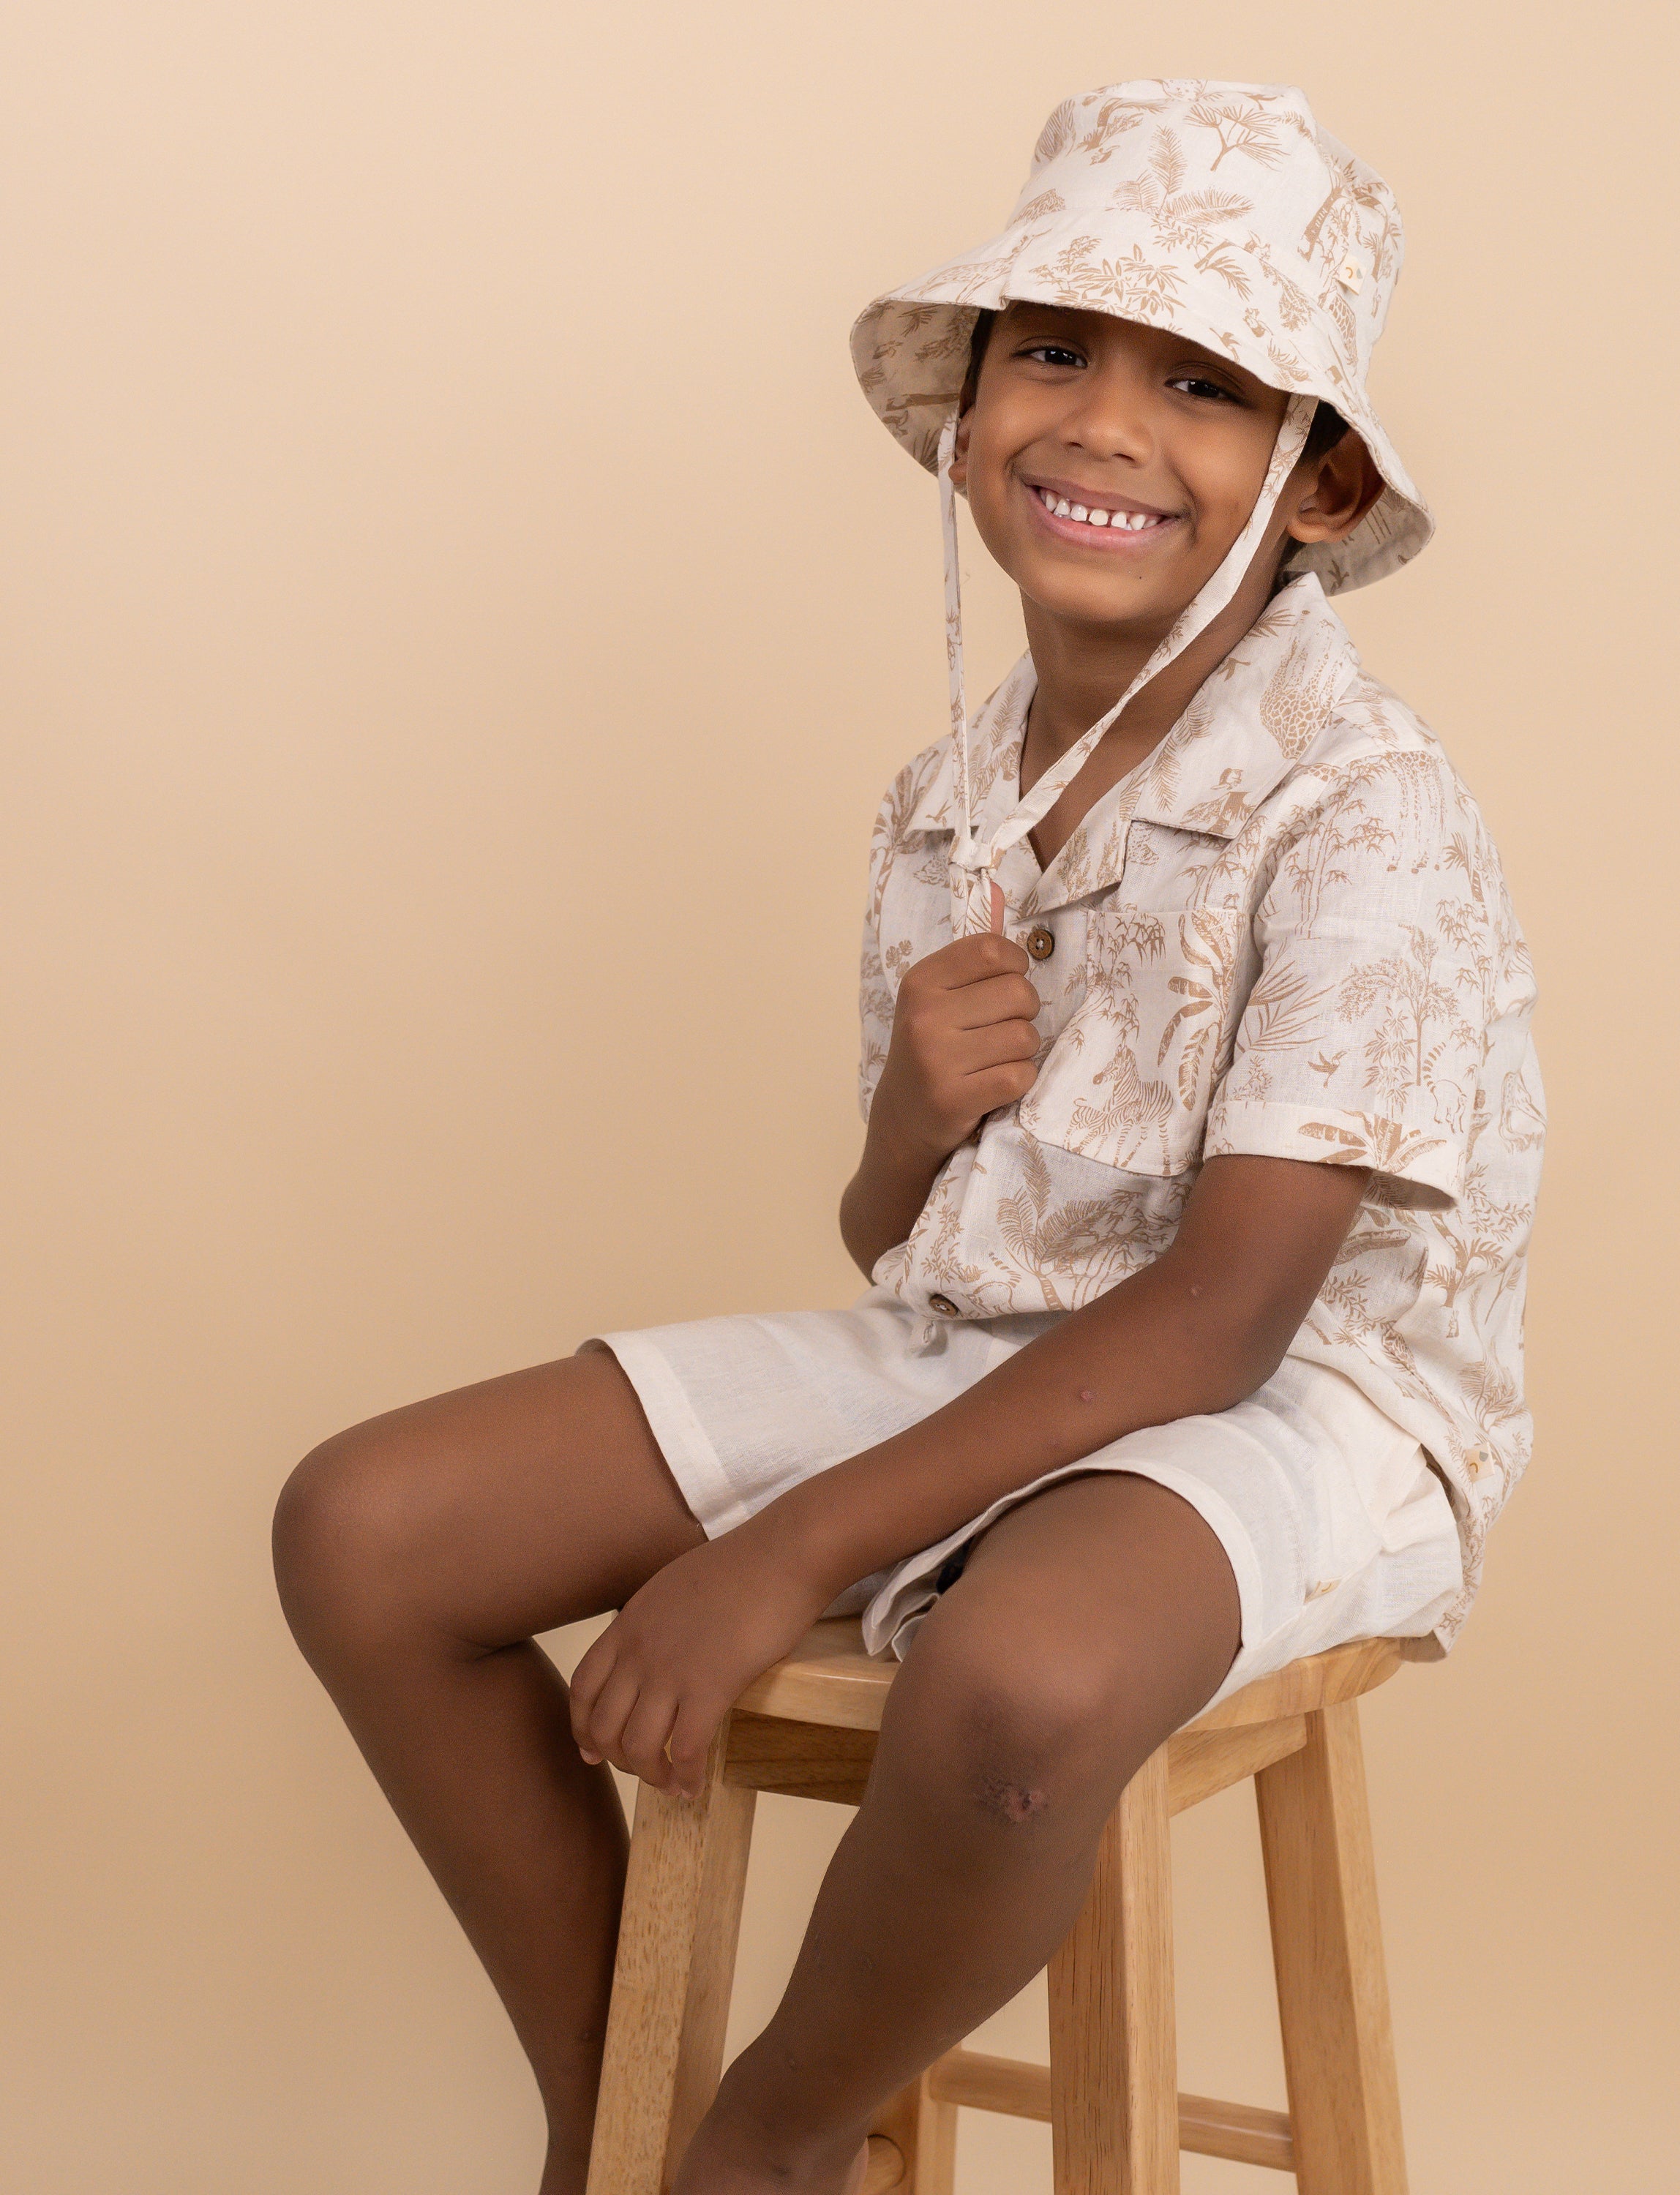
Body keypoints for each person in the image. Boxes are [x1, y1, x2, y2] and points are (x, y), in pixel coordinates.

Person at [274, 78, 1542, 2195]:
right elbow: (903, 1240)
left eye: (1204, 384)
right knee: (367, 1530)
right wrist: (902, 1116)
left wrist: (786, 1545)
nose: (1108, 424)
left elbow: (1223, 1321)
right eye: (1053, 349)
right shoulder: (948, 797)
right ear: (962, 421)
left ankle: (765, 2147)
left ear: (1313, 487)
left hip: (1301, 1395)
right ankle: (633, 2117)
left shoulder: (1363, 810)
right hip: (985, 1350)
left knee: (1020, 1684)